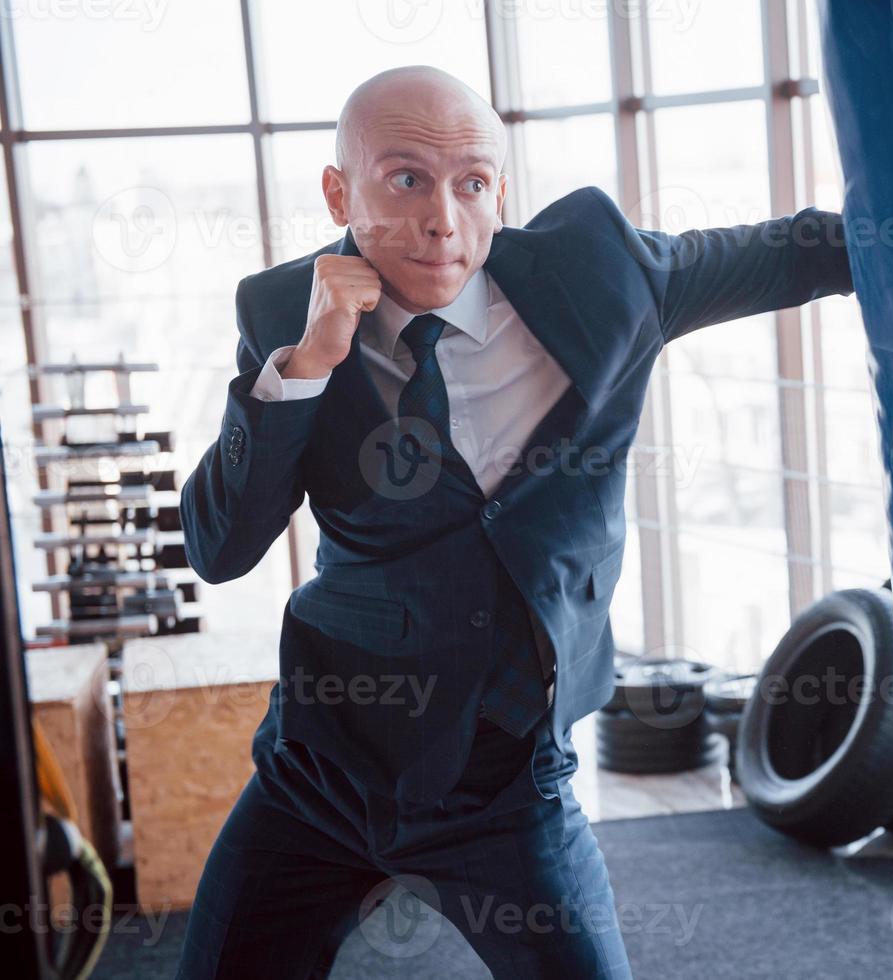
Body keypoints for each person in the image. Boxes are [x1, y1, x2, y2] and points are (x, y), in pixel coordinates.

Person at [175, 65, 853, 978]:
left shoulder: (599, 276)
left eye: (472, 183)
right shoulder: (277, 310)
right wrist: (306, 363)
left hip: (507, 780)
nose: (442, 221)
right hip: (322, 770)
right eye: (405, 178)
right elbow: (220, 548)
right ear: (340, 190)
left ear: (501, 189)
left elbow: (791, 252)